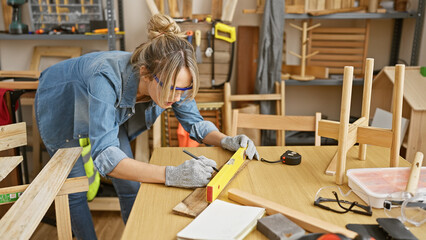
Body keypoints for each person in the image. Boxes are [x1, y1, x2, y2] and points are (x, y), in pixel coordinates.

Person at [35, 14, 259, 239]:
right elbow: (105, 157)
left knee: (131, 187)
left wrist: (225, 140)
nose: (177, 98)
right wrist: (172, 174)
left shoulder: (174, 78)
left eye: (184, 90)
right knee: (75, 193)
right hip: (60, 102)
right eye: (172, 89)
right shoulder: (105, 78)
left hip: (103, 105)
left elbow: (195, 123)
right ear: (145, 73)